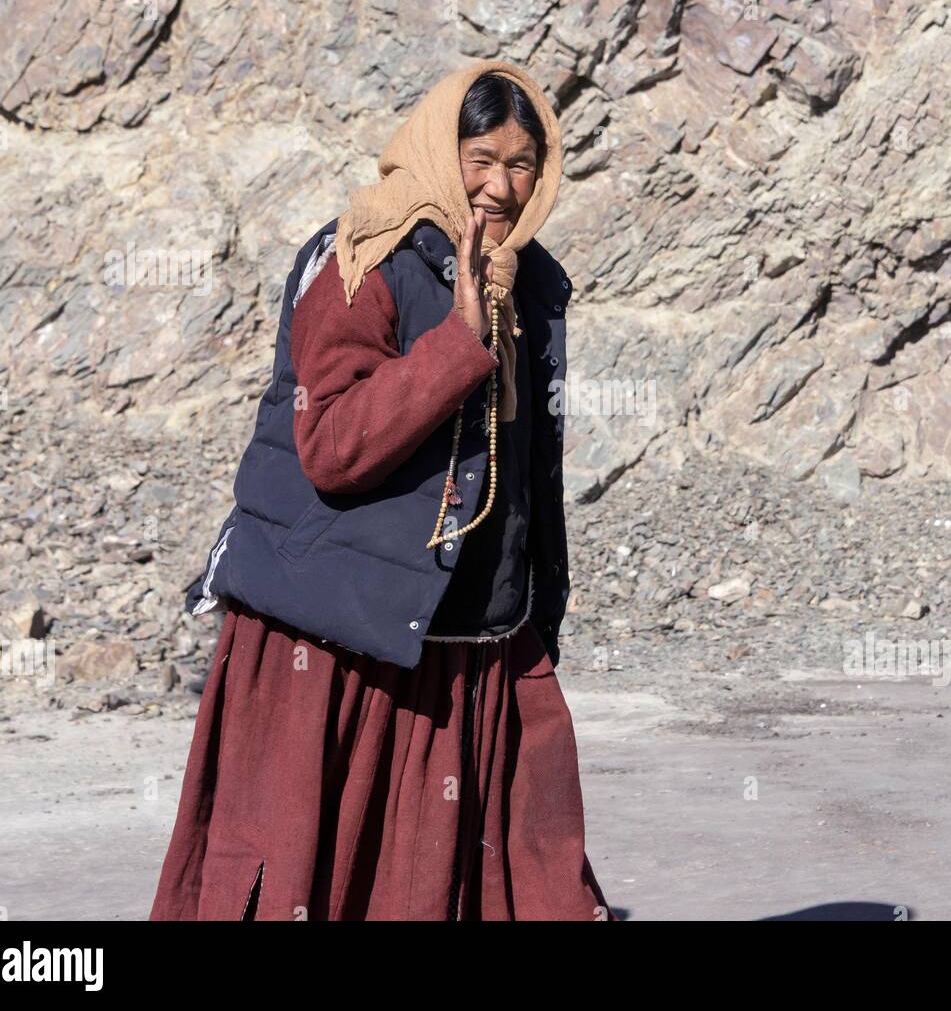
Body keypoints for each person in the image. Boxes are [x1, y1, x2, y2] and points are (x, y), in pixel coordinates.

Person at [148, 60, 614, 921]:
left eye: (522, 164)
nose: (501, 186)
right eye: (482, 156)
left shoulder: (530, 279)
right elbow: (328, 445)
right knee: (324, 875)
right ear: (443, 148)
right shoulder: (361, 255)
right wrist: (460, 342)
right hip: (341, 632)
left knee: (519, 873)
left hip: (478, 626)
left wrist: (544, 598)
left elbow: (530, 465)